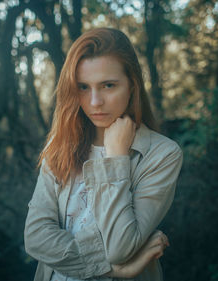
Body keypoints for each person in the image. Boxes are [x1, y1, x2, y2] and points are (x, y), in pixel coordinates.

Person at [24, 27, 183, 281]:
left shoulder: (162, 154)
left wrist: (116, 159)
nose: (95, 101)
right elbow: (35, 237)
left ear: (132, 85)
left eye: (108, 85)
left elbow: (120, 246)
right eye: (84, 87)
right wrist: (115, 269)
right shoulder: (61, 144)